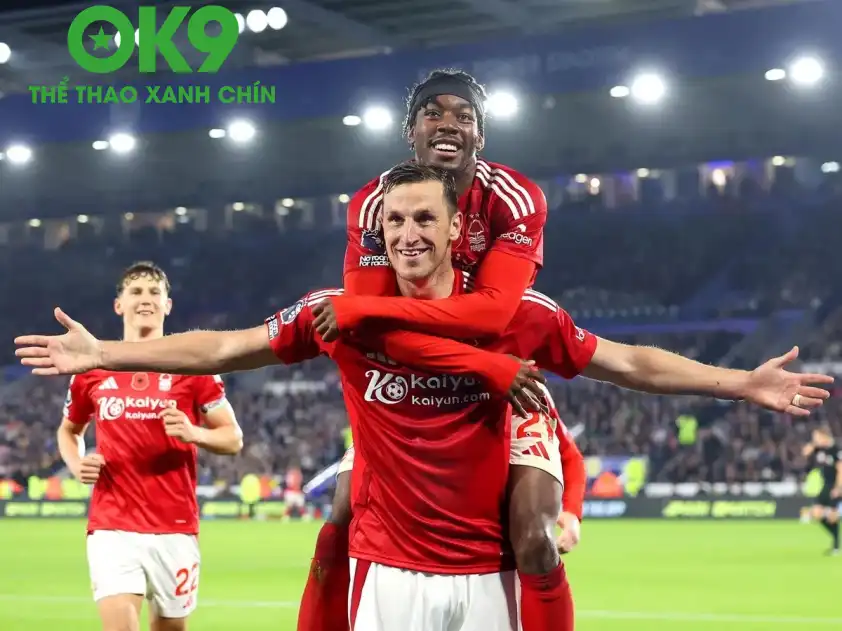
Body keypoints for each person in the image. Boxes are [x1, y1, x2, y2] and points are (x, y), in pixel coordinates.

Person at [16, 165, 835, 630]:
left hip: (486, 578)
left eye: (424, 220)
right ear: (378, 233)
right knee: (340, 509)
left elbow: (629, 363)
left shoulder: (519, 316)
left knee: (536, 541)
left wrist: (741, 382)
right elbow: (224, 347)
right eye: (395, 220)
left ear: (454, 232)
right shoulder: (339, 315)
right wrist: (107, 350)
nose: (408, 232)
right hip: (386, 575)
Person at [306, 68, 556, 631]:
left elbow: (491, 314)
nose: (448, 124)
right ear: (410, 131)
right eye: (432, 113)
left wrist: (365, 309)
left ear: (480, 136)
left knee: (534, 537)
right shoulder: (376, 202)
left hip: (505, 385)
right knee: (341, 517)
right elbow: (371, 333)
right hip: (420, 380)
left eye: (464, 116)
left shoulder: (513, 198)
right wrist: (477, 361)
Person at [55, 262, 243, 631]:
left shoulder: (193, 367)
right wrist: (76, 464)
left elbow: (232, 437)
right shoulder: (92, 370)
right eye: (136, 292)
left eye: (155, 292)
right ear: (119, 305)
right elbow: (68, 430)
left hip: (175, 527)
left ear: (167, 305)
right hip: (112, 527)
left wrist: (194, 433)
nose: (146, 299)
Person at [802, 425, 842, 555]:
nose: (815, 439)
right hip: (825, 485)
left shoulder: (836, 449)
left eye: (817, 437)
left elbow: (840, 469)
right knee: (817, 513)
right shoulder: (820, 449)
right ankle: (836, 542)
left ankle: (836, 546)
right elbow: (805, 452)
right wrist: (814, 443)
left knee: (832, 517)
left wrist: (838, 488)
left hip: (834, 485)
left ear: (824, 436)